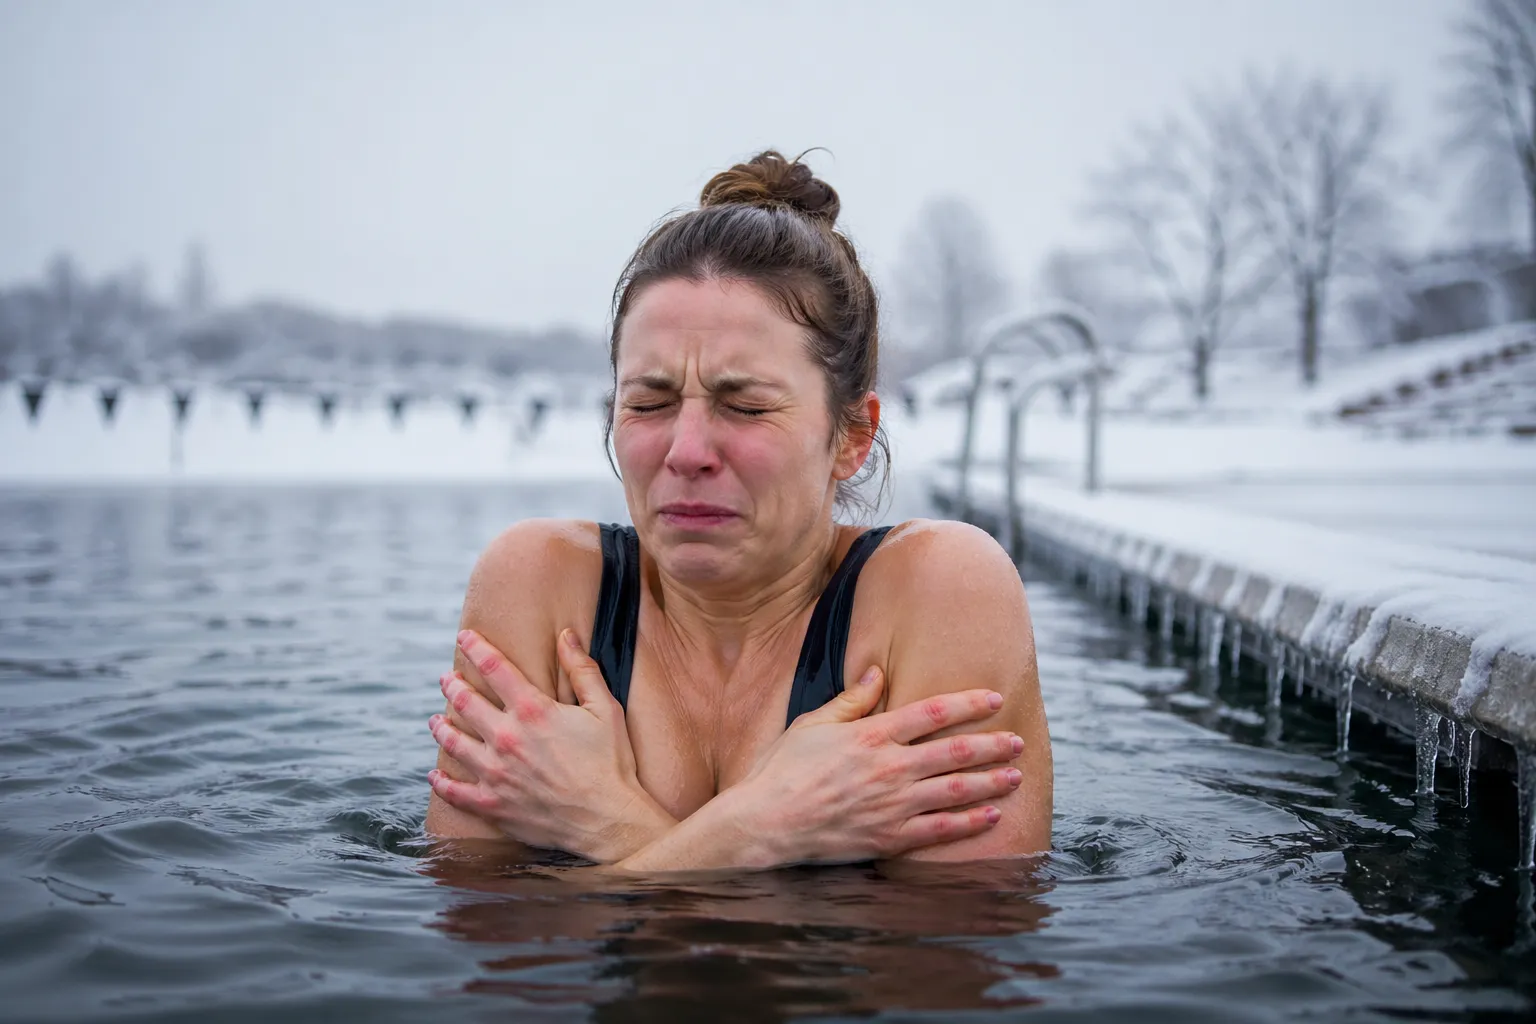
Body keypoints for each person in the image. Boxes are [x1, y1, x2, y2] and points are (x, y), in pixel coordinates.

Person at [423, 151, 1051, 870]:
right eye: (649, 403)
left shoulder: (939, 589)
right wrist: (762, 834)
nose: (686, 450)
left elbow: (947, 962)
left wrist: (610, 828)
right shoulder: (540, 585)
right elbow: (482, 935)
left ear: (851, 436)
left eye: (745, 406)